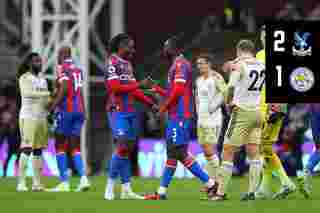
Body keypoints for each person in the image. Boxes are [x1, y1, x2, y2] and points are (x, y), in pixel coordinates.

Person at [145, 36, 216, 200]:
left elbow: (177, 92)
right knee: (176, 153)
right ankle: (209, 184)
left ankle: (210, 184)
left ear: (173, 48)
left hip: (181, 115)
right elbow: (174, 91)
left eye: (166, 46)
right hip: (177, 114)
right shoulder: (176, 65)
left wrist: (163, 107)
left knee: (177, 152)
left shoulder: (180, 64)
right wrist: (158, 90)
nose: (164, 49)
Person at [104, 33, 157, 200]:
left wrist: (150, 103)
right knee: (121, 146)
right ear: (122, 47)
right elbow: (115, 87)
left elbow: (133, 89)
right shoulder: (112, 61)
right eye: (130, 46)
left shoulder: (127, 64)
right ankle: (110, 187)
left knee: (127, 150)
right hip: (116, 109)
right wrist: (139, 84)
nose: (133, 50)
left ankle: (126, 189)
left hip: (130, 111)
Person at [211, 39, 264, 201]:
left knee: (227, 151)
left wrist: (228, 102)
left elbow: (232, 86)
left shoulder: (239, 66)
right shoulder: (261, 65)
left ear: (238, 50)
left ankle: (220, 193)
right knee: (254, 152)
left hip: (242, 112)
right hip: (257, 112)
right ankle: (252, 192)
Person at [255, 25, 296, 200]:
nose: (264, 38)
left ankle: (286, 183)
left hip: (272, 107)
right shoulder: (259, 55)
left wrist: (276, 105)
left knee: (263, 148)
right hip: (261, 106)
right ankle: (264, 188)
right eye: (263, 35)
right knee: (264, 148)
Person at [47, 46, 90, 192]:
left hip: (67, 111)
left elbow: (65, 88)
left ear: (61, 55)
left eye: (58, 55)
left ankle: (64, 183)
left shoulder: (63, 69)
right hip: (80, 111)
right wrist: (84, 111)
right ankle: (83, 179)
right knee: (75, 147)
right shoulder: (78, 70)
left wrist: (53, 106)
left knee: (59, 145)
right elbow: (79, 91)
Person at [17, 52, 50, 191]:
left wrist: (51, 108)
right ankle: (21, 183)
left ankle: (37, 184)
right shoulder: (25, 78)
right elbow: (27, 94)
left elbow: (46, 101)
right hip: (28, 117)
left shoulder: (43, 80)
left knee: (38, 151)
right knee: (26, 149)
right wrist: (47, 94)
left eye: (40, 61)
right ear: (29, 63)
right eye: (36, 61)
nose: (39, 63)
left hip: (41, 118)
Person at [195, 53, 226, 193]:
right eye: (198, 64)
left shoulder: (216, 77)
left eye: (202, 63)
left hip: (213, 120)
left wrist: (214, 107)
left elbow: (225, 93)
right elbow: (197, 98)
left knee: (209, 150)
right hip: (201, 119)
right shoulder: (199, 80)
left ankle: (219, 182)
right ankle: (210, 182)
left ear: (209, 64)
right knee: (206, 152)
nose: (199, 66)